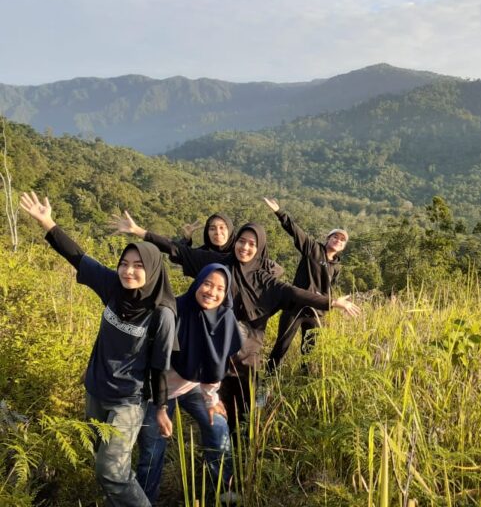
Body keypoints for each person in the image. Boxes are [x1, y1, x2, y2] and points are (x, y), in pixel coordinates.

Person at [111, 212, 361, 429]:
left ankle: (240, 453)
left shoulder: (265, 279)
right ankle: (217, 454)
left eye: (252, 244)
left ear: (259, 247)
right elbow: (178, 250)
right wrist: (139, 231)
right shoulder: (220, 265)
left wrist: (332, 302)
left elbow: (294, 292)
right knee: (218, 411)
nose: (245, 247)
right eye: (241, 241)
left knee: (244, 412)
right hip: (216, 352)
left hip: (247, 355)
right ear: (235, 241)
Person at [20, 192, 176, 507]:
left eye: (138, 266)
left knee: (111, 471)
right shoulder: (113, 287)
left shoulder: (161, 314)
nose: (128, 271)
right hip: (95, 390)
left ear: (152, 270)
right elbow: (78, 257)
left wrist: (160, 408)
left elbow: (160, 366)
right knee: (102, 460)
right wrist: (47, 222)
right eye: (124, 264)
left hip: (128, 401)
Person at [137, 263, 242, 505]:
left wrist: (211, 400)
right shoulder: (174, 312)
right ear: (197, 283)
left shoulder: (224, 318)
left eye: (220, 288)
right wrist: (161, 407)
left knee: (218, 426)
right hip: (157, 391)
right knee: (153, 451)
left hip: (191, 385)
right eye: (207, 284)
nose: (212, 292)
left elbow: (216, 363)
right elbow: (154, 363)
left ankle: (225, 491)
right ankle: (144, 501)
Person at [263, 198, 348, 373]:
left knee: (309, 351)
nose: (338, 240)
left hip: (316, 312)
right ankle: (268, 379)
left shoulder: (337, 267)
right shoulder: (312, 249)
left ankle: (304, 379)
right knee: (282, 345)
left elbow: (328, 287)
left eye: (342, 240)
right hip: (295, 306)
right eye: (335, 237)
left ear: (343, 247)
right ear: (328, 239)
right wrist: (279, 212)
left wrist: (333, 301)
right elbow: (295, 231)